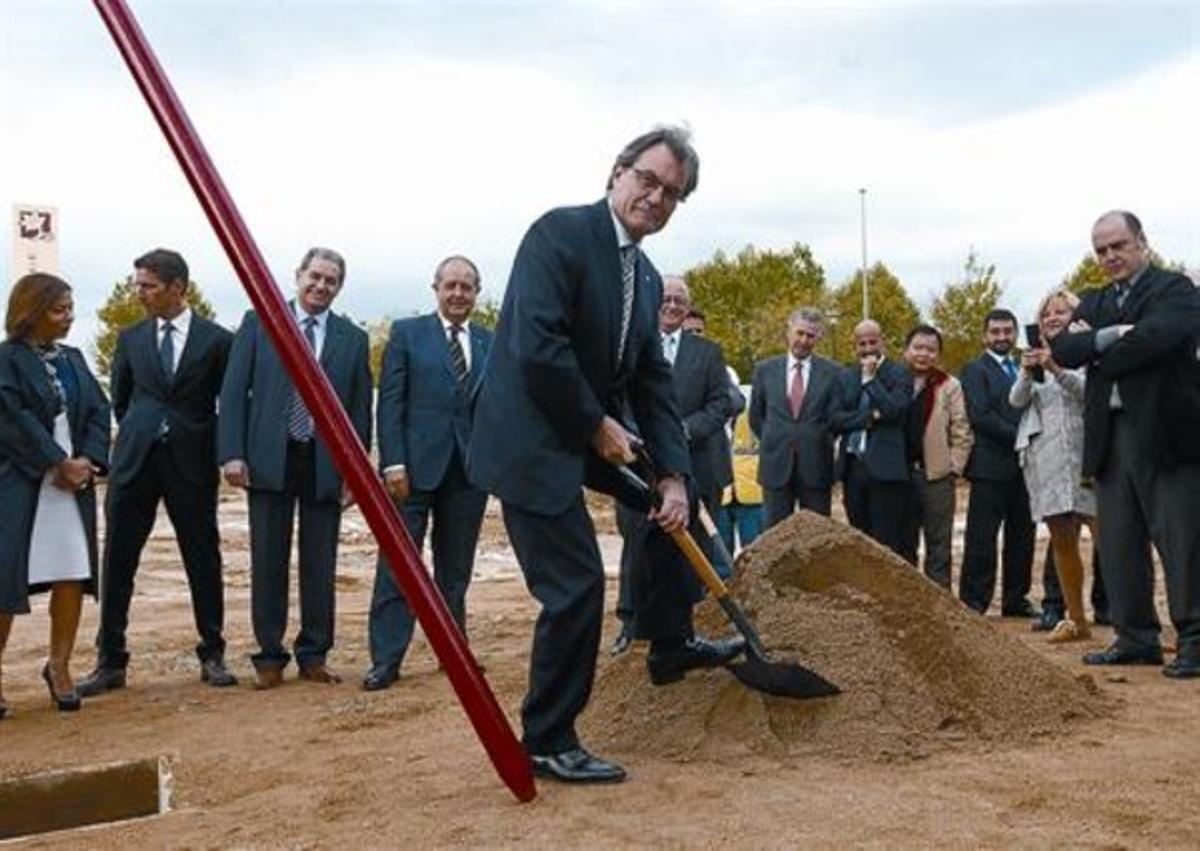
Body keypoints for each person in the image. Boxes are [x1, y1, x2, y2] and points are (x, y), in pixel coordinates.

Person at [467, 126, 744, 784]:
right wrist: (595, 425)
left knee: (676, 504)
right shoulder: (558, 235)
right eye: (646, 179)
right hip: (530, 435)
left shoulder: (644, 279)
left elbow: (650, 380)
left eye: (670, 193)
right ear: (617, 172)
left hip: (587, 429)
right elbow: (538, 346)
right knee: (577, 584)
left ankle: (669, 645)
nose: (654, 196)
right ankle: (547, 736)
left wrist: (672, 474)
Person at [79, 249, 237, 698]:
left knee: (202, 559)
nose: (139, 294)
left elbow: (226, 404)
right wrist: (144, 431)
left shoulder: (217, 341)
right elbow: (123, 400)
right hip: (135, 462)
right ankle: (110, 661)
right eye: (137, 285)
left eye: (147, 285)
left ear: (177, 288)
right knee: (119, 562)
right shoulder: (130, 339)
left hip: (191, 462)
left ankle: (213, 654)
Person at [1052, 211, 1200, 677]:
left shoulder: (1175, 290)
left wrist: (1097, 348)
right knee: (1118, 541)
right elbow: (1063, 350)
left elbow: (1161, 337)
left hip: (1166, 434)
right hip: (1110, 437)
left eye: (1119, 245)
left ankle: (1195, 639)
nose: (1110, 256)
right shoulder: (1094, 300)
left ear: (1142, 243)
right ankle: (1135, 637)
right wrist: (1114, 336)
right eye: (1101, 250)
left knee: (1182, 540)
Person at [218, 247, 372, 689]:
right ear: (298, 275)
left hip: (324, 462)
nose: (321, 286)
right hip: (269, 457)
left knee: (320, 563)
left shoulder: (352, 338)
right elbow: (233, 393)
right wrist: (232, 452)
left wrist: (356, 472)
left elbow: (359, 409)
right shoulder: (260, 322)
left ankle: (314, 654)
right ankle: (269, 657)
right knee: (268, 559)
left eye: (331, 281)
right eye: (315, 277)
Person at [363, 256, 492, 691]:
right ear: (435, 288)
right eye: (450, 285)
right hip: (413, 473)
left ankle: (453, 652)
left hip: (469, 474)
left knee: (456, 571)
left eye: (467, 287)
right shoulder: (406, 334)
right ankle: (386, 659)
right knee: (399, 565)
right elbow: (391, 403)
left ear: (477, 293)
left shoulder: (489, 342)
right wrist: (392, 462)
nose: (458, 294)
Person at [0, 273, 110, 716]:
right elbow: (11, 417)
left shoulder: (75, 358)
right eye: (59, 309)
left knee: (71, 573)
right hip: (22, 482)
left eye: (70, 307)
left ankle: (60, 668)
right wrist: (54, 460)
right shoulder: (6, 359)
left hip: (71, 486)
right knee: (5, 578)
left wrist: (87, 460)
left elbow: (100, 410)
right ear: (31, 312)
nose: (69, 317)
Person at [612, 275, 735, 654]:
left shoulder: (708, 353)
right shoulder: (630, 347)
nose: (672, 305)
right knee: (637, 547)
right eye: (665, 298)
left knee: (692, 553)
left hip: (698, 466)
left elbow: (721, 404)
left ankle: (683, 632)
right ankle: (630, 624)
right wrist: (642, 438)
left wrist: (682, 431)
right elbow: (617, 399)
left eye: (680, 300)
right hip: (640, 467)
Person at [1009, 289, 1096, 642]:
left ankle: (1131, 621)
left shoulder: (1089, 351)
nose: (1053, 317)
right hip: (1047, 458)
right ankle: (1076, 619)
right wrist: (1029, 371)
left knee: (1111, 538)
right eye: (1047, 313)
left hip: (1089, 453)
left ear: (1075, 317)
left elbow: (1088, 393)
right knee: (1062, 539)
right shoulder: (1034, 357)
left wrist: (1056, 368)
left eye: (1061, 311)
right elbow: (1015, 401)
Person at [958, 309, 1038, 617]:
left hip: (1027, 466)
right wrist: (1022, 436)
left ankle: (1015, 599)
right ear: (984, 335)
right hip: (990, 466)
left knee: (1023, 537)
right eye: (995, 331)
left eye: (1007, 331)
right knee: (982, 537)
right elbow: (980, 415)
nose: (1002, 337)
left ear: (1015, 334)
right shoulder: (974, 370)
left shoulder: (1027, 367)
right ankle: (974, 600)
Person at [749, 306, 840, 527]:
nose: (804, 340)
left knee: (816, 538)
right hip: (776, 466)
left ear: (818, 337)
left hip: (816, 466)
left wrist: (814, 439)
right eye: (800, 333)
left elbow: (835, 420)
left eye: (810, 335)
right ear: (789, 331)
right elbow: (757, 416)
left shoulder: (833, 372)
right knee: (775, 535)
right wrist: (777, 439)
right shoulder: (765, 370)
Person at [830, 319, 913, 556]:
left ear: (882, 341)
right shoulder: (846, 376)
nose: (867, 349)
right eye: (862, 343)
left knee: (886, 544)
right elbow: (835, 419)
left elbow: (893, 411)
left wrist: (871, 381)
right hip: (853, 468)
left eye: (872, 342)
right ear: (854, 346)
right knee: (859, 540)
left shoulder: (899, 373)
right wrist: (868, 417)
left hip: (886, 470)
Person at [900, 324, 973, 588]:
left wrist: (954, 467)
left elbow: (961, 428)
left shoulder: (949, 385)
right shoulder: (895, 380)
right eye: (918, 348)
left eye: (930, 349)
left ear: (938, 354)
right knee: (903, 545)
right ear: (906, 350)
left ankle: (940, 606)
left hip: (936, 477)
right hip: (899, 475)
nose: (923, 354)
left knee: (939, 546)